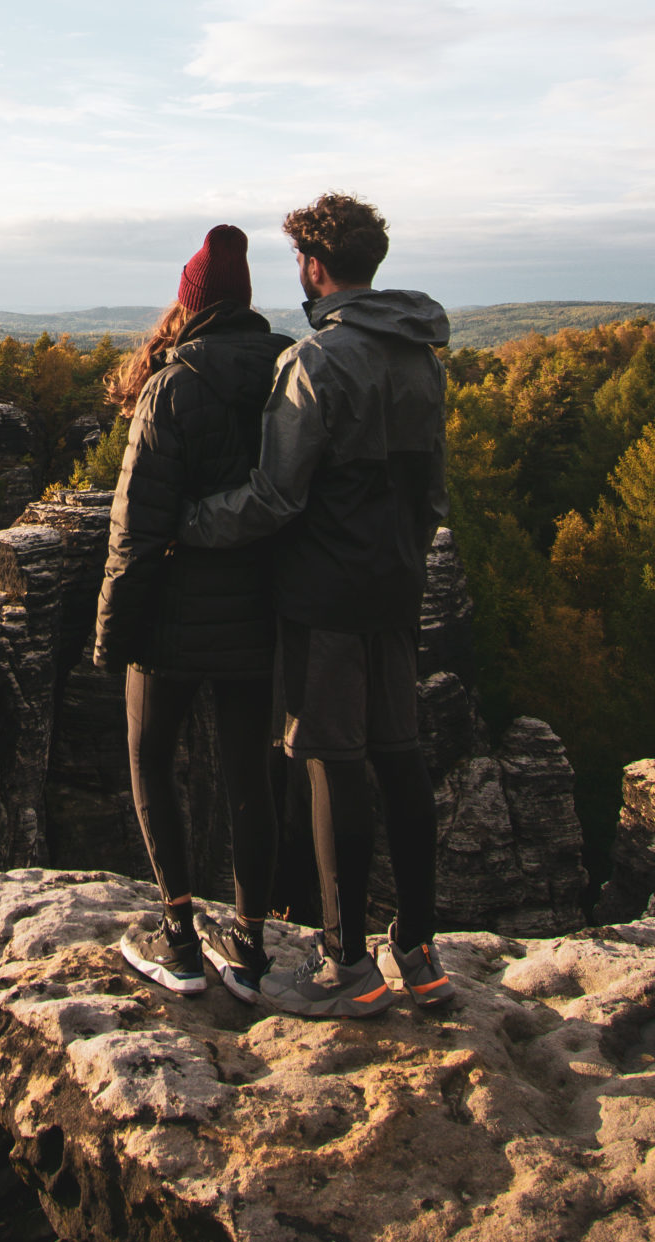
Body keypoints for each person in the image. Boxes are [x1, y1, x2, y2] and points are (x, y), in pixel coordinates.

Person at [182, 192, 456, 1019]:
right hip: (396, 586)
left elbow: (273, 496)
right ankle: (416, 950)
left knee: (330, 760)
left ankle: (345, 966)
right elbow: (432, 493)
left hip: (325, 595)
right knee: (399, 753)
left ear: (311, 264)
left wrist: (190, 523)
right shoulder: (420, 357)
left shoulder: (315, 362)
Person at [94, 225, 292, 1002]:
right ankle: (246, 948)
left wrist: (113, 629)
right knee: (251, 776)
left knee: (151, 763)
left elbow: (134, 524)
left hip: (174, 616)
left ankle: (178, 940)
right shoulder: (289, 370)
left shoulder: (171, 385)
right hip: (261, 612)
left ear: (186, 304)